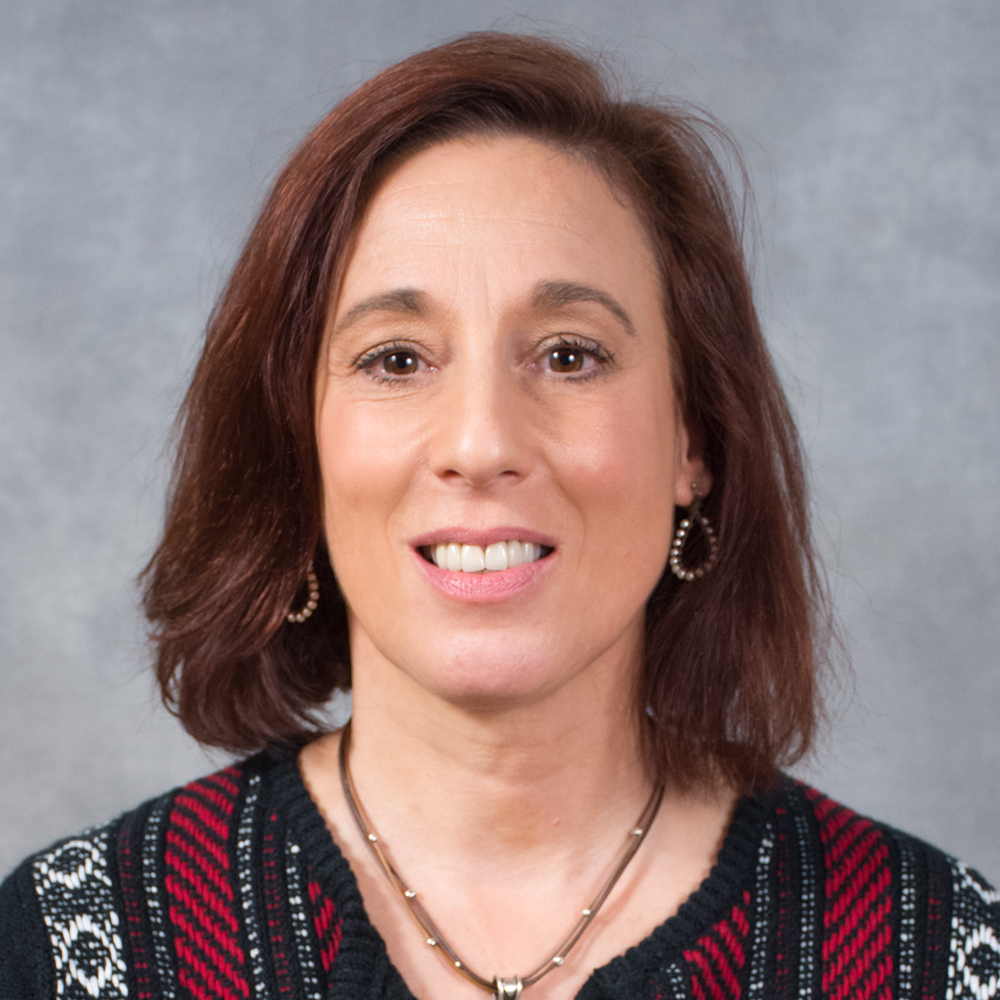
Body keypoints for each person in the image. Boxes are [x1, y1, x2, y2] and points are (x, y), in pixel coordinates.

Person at [1, 31, 996, 1000]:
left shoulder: (938, 956)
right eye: (395, 358)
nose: (480, 442)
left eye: (569, 354)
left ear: (692, 439)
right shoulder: (71, 950)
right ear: (299, 451)